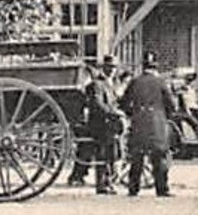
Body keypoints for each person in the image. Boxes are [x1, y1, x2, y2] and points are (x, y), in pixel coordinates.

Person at [122, 52, 178, 197]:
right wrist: (166, 115)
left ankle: (133, 188)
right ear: (155, 67)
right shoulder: (160, 82)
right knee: (159, 158)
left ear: (143, 66)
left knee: (137, 157)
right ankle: (162, 189)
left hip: (139, 123)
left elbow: (124, 103)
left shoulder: (135, 81)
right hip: (157, 123)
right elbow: (171, 105)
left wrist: (132, 114)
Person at [68, 57, 123, 191]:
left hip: (108, 123)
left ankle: (107, 182)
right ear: (103, 68)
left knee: (109, 154)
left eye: (114, 67)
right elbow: (97, 104)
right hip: (99, 124)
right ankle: (102, 184)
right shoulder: (96, 84)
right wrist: (113, 113)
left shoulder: (111, 84)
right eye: (109, 67)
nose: (111, 70)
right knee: (103, 154)